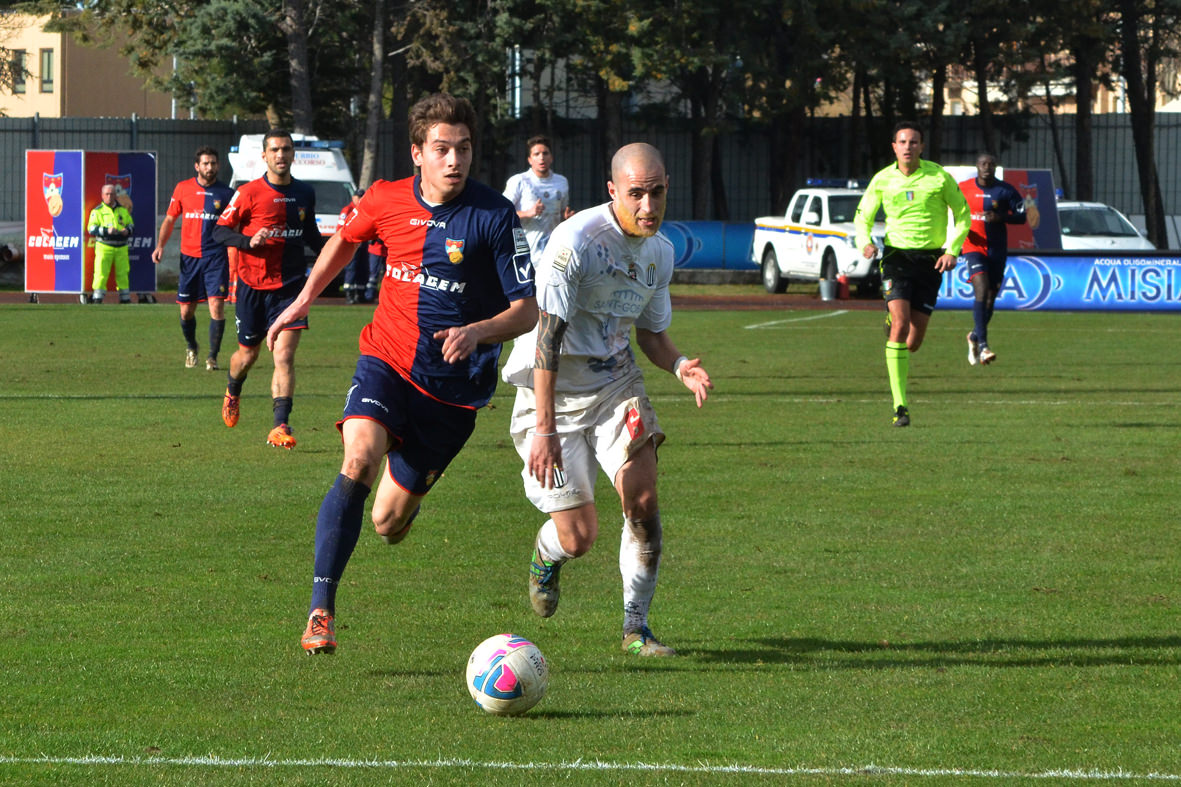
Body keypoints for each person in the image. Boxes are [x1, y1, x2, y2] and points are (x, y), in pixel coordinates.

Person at [266, 93, 537, 656]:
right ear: (418, 152)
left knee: (388, 523)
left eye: (463, 149)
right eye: (441, 149)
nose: (454, 160)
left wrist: (477, 331)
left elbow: (528, 309)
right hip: (387, 361)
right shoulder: (386, 199)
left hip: (455, 395)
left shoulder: (493, 215)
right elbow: (345, 239)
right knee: (359, 458)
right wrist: (303, 299)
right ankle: (321, 611)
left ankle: (403, 505)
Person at [501, 142, 713, 657]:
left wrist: (681, 365)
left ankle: (635, 628)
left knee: (642, 501)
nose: (648, 206)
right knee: (578, 538)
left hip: (616, 384)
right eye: (636, 194)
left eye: (657, 192)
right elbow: (547, 340)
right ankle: (547, 554)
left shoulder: (660, 252)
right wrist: (545, 431)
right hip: (551, 390)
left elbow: (651, 335)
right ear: (612, 191)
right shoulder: (575, 243)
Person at [212, 129, 325, 449]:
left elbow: (312, 236)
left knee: (285, 356)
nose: (281, 155)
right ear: (264, 155)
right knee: (247, 356)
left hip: (290, 289)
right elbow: (219, 232)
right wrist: (248, 241)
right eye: (274, 149)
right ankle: (233, 388)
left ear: (293, 154)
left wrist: (340, 250)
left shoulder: (304, 193)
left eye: (286, 149)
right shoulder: (249, 193)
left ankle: (280, 426)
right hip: (252, 288)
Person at [854, 121, 970, 427]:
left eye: (913, 142)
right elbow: (863, 216)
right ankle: (900, 406)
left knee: (913, 341)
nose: (908, 147)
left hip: (931, 261)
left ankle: (895, 320)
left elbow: (962, 215)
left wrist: (952, 251)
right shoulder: (882, 180)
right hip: (896, 257)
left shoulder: (939, 177)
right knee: (901, 325)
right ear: (894, 147)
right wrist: (864, 242)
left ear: (922, 146)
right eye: (902, 142)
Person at [152, 146, 235, 370]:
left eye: (213, 163)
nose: (210, 167)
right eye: (206, 163)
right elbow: (169, 219)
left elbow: (234, 227)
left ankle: (212, 357)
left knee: (216, 306)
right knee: (186, 311)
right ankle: (191, 346)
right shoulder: (183, 188)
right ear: (197, 166)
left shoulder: (226, 194)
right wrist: (160, 246)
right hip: (189, 258)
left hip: (216, 258)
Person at [957, 152, 1026, 366]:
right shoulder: (964, 188)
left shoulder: (1006, 190)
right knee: (981, 288)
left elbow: (1025, 215)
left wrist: (1001, 217)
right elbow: (949, 209)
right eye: (983, 163)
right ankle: (985, 347)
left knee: (990, 300)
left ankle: (974, 338)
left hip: (996, 249)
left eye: (991, 164)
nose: (987, 167)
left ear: (995, 167)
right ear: (977, 166)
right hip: (972, 247)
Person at [503, 135, 575, 264]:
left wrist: (567, 218)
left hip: (553, 251)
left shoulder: (562, 182)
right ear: (530, 160)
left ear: (551, 157)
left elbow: (563, 213)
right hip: (525, 251)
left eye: (545, 153)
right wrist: (528, 213)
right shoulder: (519, 181)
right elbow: (502, 214)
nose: (541, 157)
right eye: (536, 154)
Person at [87, 183, 134, 304]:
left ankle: (125, 298)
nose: (109, 196)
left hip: (121, 246)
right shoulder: (97, 211)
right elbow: (91, 229)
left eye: (112, 194)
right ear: (102, 196)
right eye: (107, 194)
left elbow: (131, 225)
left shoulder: (123, 210)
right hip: (104, 246)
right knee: (101, 272)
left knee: (123, 273)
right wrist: (105, 230)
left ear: (115, 196)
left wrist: (127, 230)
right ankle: (97, 297)